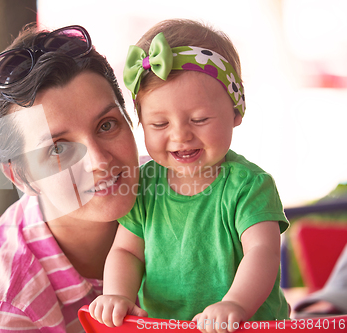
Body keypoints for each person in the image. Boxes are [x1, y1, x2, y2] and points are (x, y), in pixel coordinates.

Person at [89, 19, 290, 333]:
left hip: (244, 326)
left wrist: (235, 303)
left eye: (199, 119)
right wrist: (118, 294)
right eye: (159, 124)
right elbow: (127, 251)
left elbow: (261, 251)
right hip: (165, 326)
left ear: (236, 111)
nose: (180, 136)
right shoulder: (144, 184)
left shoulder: (249, 185)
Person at [0, 24, 140, 333]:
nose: (99, 160)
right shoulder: (6, 301)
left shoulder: (183, 186)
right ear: (22, 177)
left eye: (107, 125)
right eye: (58, 148)